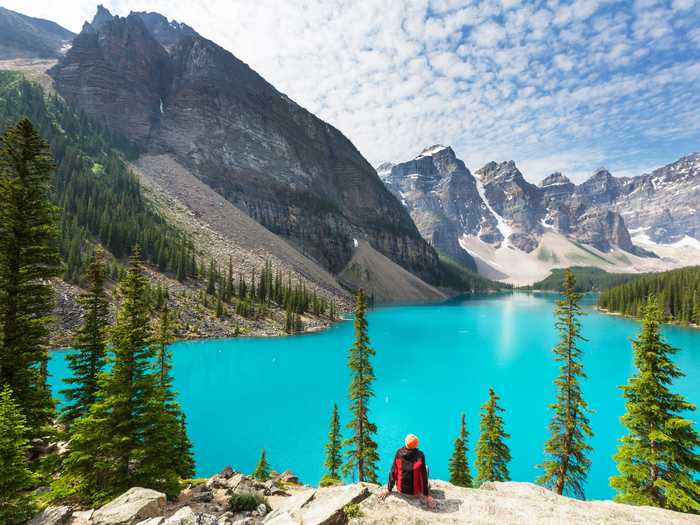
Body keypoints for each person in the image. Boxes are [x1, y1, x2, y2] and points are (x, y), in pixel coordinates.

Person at [379, 434, 437, 509]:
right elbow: (423, 476)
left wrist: (388, 489)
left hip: (401, 491)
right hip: (415, 493)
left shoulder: (399, 453)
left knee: (395, 468)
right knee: (426, 468)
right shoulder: (420, 455)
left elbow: (393, 472)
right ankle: (424, 493)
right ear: (417, 445)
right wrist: (427, 495)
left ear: (405, 443)